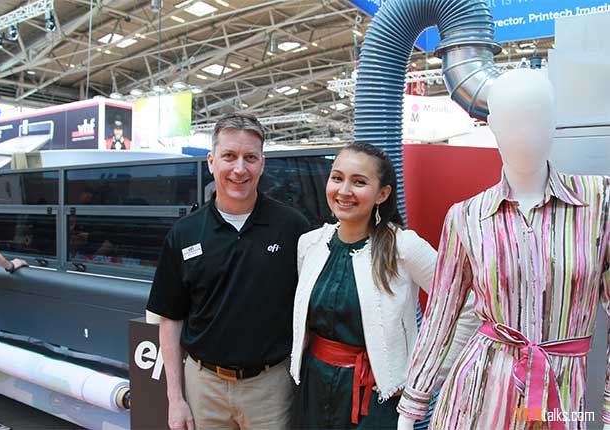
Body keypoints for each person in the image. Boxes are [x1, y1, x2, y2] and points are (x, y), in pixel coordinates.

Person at [397, 69, 610, 430]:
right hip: (479, 396)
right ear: (492, 124)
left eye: (537, 118)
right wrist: (411, 408)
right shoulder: (467, 216)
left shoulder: (599, 203)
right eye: (512, 121)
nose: (525, 133)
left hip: (558, 397)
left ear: (555, 121)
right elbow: (440, 318)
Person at [290, 142, 478, 429]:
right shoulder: (311, 244)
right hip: (313, 387)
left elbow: (470, 304)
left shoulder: (403, 247)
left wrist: (424, 377)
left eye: (359, 182)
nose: (344, 191)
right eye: (337, 178)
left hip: (376, 396)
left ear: (383, 193)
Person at [146, 113, 311, 430]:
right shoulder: (184, 234)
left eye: (250, 158)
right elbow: (171, 319)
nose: (239, 169)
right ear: (211, 162)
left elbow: (310, 309)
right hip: (204, 387)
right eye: (229, 156)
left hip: (271, 388)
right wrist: (175, 399)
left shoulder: (293, 228)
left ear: (262, 164)